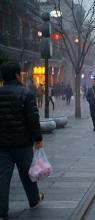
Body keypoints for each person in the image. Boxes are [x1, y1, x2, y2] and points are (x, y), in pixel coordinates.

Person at [0, 62, 44, 219]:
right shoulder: (26, 94)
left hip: (3, 144)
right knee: (28, 174)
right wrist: (38, 139)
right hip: (22, 143)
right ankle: (33, 200)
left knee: (2, 176)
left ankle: (2, 210)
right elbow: (33, 119)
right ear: (18, 75)